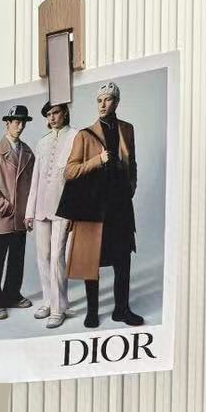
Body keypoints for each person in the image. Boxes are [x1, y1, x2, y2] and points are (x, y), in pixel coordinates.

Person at [57, 80, 143, 329]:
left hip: (119, 205)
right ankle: (92, 312)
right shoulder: (84, 135)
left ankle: (122, 310)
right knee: (91, 258)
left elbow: (132, 163)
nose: (103, 105)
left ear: (117, 102)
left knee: (123, 259)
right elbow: (70, 171)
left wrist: (130, 188)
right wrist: (98, 159)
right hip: (93, 206)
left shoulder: (127, 129)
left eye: (108, 100)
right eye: (99, 100)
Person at [0, 103, 35, 320]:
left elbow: (33, 185)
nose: (20, 127)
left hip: (21, 218)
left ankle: (12, 295)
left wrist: (29, 211)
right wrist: (5, 206)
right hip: (3, 217)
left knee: (17, 259)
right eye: (16, 122)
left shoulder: (28, 153)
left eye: (23, 123)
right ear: (7, 124)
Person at [24, 100, 76, 328]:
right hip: (41, 208)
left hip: (63, 207)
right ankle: (48, 301)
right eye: (48, 115)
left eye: (55, 113)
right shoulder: (42, 142)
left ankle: (58, 308)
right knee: (43, 256)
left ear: (64, 113)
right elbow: (35, 179)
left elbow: (78, 179)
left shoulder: (76, 136)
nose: (52, 118)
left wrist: (74, 210)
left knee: (57, 257)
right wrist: (29, 212)